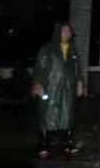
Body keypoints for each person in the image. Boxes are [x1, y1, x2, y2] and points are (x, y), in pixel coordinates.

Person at [31, 22, 84, 158]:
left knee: (68, 113)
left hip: (67, 87)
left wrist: (79, 83)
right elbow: (40, 67)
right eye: (65, 31)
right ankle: (44, 144)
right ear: (58, 32)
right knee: (47, 114)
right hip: (51, 87)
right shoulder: (47, 49)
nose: (68, 33)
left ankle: (69, 142)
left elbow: (77, 68)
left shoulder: (72, 49)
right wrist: (38, 84)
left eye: (69, 31)